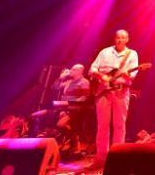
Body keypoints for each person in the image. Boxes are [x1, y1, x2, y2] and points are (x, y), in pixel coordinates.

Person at [87, 29, 139, 170]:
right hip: (103, 92)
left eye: (123, 37)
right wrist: (101, 76)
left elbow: (133, 75)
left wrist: (126, 74)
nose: (120, 40)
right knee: (102, 126)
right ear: (114, 38)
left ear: (127, 39)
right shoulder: (105, 52)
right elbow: (92, 69)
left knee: (119, 125)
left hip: (121, 92)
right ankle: (101, 158)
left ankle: (118, 158)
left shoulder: (132, 54)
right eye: (117, 37)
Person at [54, 64, 90, 153]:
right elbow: (54, 87)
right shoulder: (69, 82)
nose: (70, 71)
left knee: (61, 125)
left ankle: (75, 141)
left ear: (79, 71)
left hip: (75, 109)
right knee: (59, 125)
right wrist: (60, 78)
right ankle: (73, 140)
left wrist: (68, 101)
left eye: (73, 69)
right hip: (64, 108)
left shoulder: (84, 82)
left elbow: (84, 97)